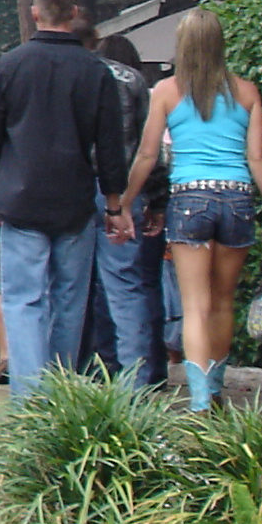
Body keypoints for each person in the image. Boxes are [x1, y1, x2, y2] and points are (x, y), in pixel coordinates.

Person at [0, 0, 131, 399]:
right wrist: (115, 205)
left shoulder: (10, 65)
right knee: (69, 299)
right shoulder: (96, 72)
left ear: (34, 13)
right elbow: (110, 147)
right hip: (74, 199)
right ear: (73, 13)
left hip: (20, 198)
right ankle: (59, 395)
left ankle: (29, 397)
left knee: (24, 298)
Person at [121, 10, 262, 412]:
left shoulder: (166, 91)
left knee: (195, 306)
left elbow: (147, 154)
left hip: (189, 199)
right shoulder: (247, 92)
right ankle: (215, 387)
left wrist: (124, 201)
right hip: (237, 198)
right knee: (223, 302)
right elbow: (257, 158)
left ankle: (198, 401)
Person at [83, 25, 167, 386]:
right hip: (127, 189)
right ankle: (137, 379)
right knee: (126, 285)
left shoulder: (79, 72)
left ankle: (80, 372)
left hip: (76, 187)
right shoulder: (135, 81)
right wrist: (156, 200)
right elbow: (151, 149)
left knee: (70, 285)